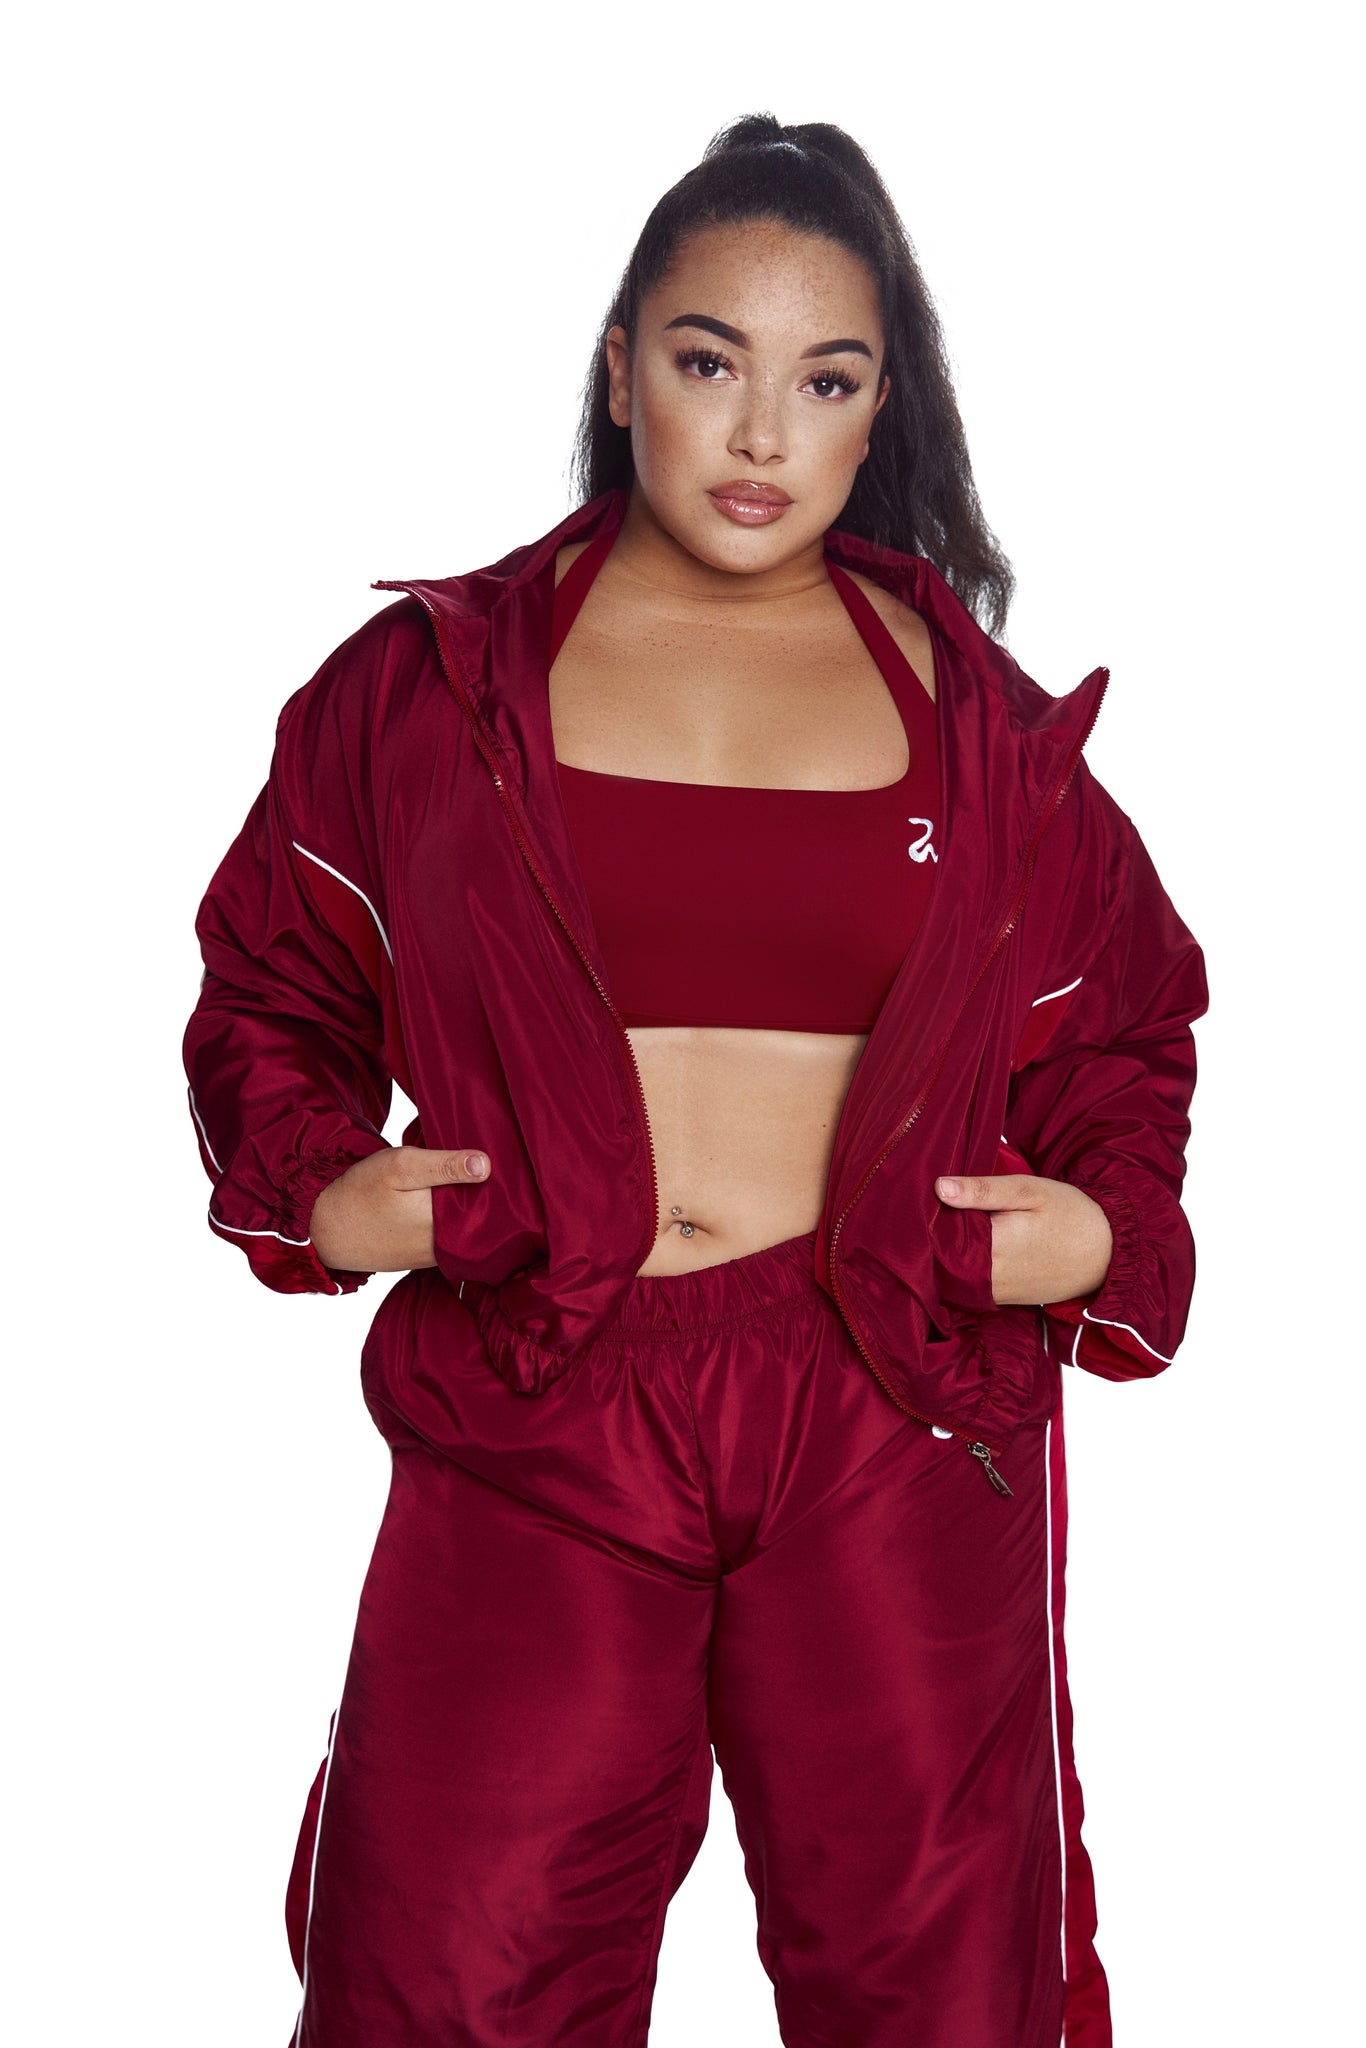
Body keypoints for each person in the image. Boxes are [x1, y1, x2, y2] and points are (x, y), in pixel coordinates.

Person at [183, 114, 1208, 2048]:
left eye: (824, 381)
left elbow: (1122, 1026)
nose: (758, 434)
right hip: (543, 1379)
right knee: (446, 1976)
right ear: (619, 369)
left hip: (893, 1402)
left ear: (878, 410)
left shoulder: (976, 725)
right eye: (707, 359)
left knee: (940, 1994)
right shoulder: (427, 691)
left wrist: (1100, 1231)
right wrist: (321, 1183)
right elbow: (274, 978)